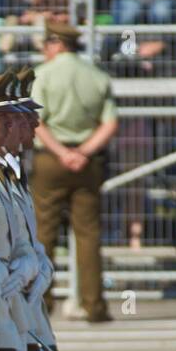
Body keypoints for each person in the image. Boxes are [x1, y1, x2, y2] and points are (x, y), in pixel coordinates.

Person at [30, 20, 118, 323]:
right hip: (87, 160)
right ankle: (94, 305)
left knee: (44, 232)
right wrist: (83, 152)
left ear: (56, 44)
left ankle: (42, 304)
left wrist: (62, 152)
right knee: (88, 233)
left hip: (51, 159)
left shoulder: (43, 75)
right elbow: (109, 123)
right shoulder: (97, 76)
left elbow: (36, 121)